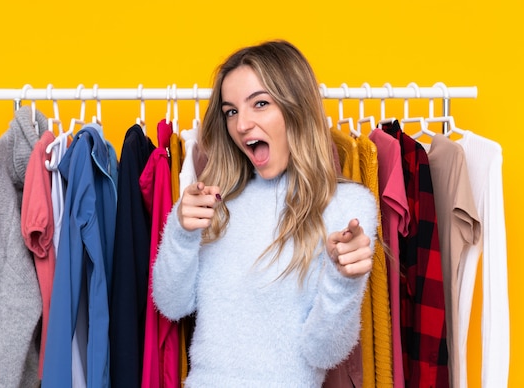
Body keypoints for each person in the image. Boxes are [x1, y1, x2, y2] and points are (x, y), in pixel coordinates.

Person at [152, 40, 378, 387]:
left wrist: (344, 282)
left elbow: (324, 353)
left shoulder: (347, 205)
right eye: (231, 111)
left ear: (296, 108)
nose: (242, 125)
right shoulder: (216, 197)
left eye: (260, 104)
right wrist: (182, 232)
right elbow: (172, 304)